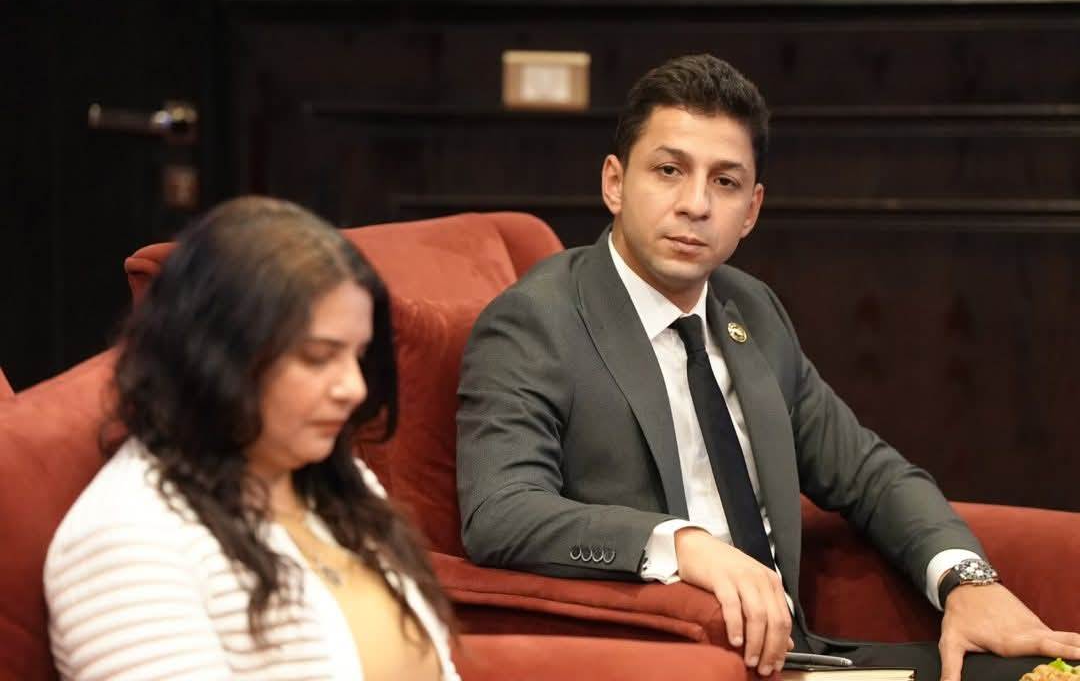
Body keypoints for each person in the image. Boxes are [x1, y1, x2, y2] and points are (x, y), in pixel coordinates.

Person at [456, 54, 1080, 681]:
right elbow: (500, 512)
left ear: (751, 210)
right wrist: (684, 546)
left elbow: (868, 474)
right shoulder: (537, 320)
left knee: (1042, 673)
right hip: (671, 661)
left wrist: (967, 580)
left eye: (725, 182)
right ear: (615, 183)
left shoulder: (749, 308)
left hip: (799, 657)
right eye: (669, 171)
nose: (695, 204)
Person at [45, 197, 459, 681]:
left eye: (358, 356)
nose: (355, 387)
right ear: (217, 356)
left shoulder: (332, 478)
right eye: (318, 357)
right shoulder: (127, 539)